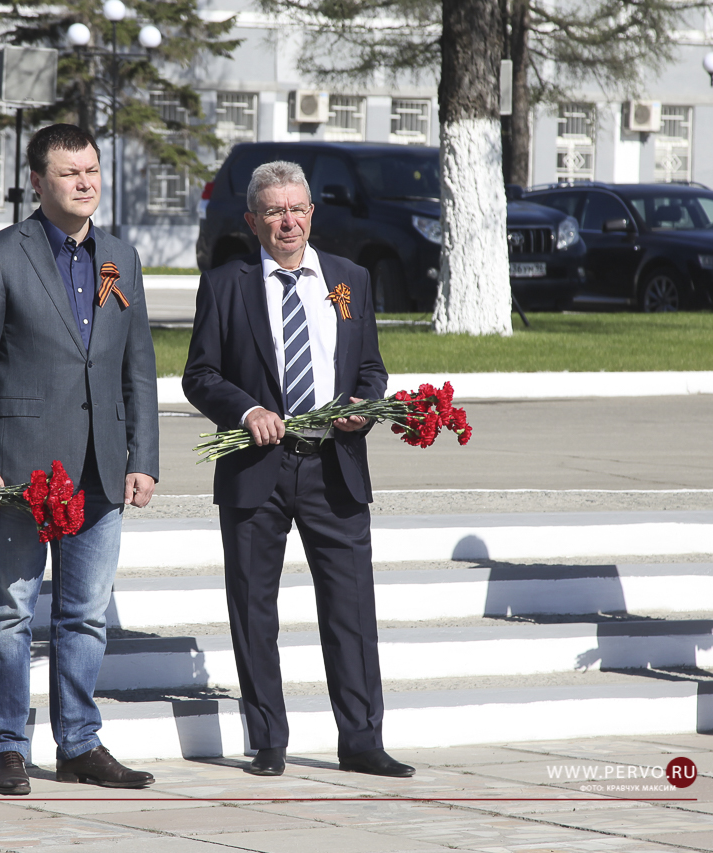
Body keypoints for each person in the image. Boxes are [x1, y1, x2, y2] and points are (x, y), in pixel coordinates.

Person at [182, 160, 413, 780]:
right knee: (254, 609)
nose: (289, 221)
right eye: (275, 211)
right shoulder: (226, 285)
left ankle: (362, 739)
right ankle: (268, 741)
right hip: (256, 471)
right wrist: (247, 409)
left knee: (350, 609)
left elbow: (369, 367)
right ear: (254, 221)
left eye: (299, 209)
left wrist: (363, 408)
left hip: (333, 469)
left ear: (313, 214)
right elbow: (200, 375)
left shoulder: (349, 280)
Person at [0, 123, 159, 795]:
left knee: (85, 613)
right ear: (38, 181)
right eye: (70, 173)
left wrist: (143, 456)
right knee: (10, 609)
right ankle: (9, 744)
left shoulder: (120, 258)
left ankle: (79, 742)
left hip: (101, 468)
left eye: (93, 170)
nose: (85, 182)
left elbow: (139, 368)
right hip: (20, 471)